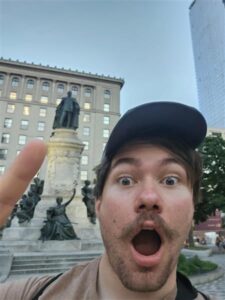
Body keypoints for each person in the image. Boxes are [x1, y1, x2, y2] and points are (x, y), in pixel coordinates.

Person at [0, 102, 212, 299]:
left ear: (193, 206)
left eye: (170, 180)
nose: (149, 197)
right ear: (98, 204)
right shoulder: (28, 295)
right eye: (126, 180)